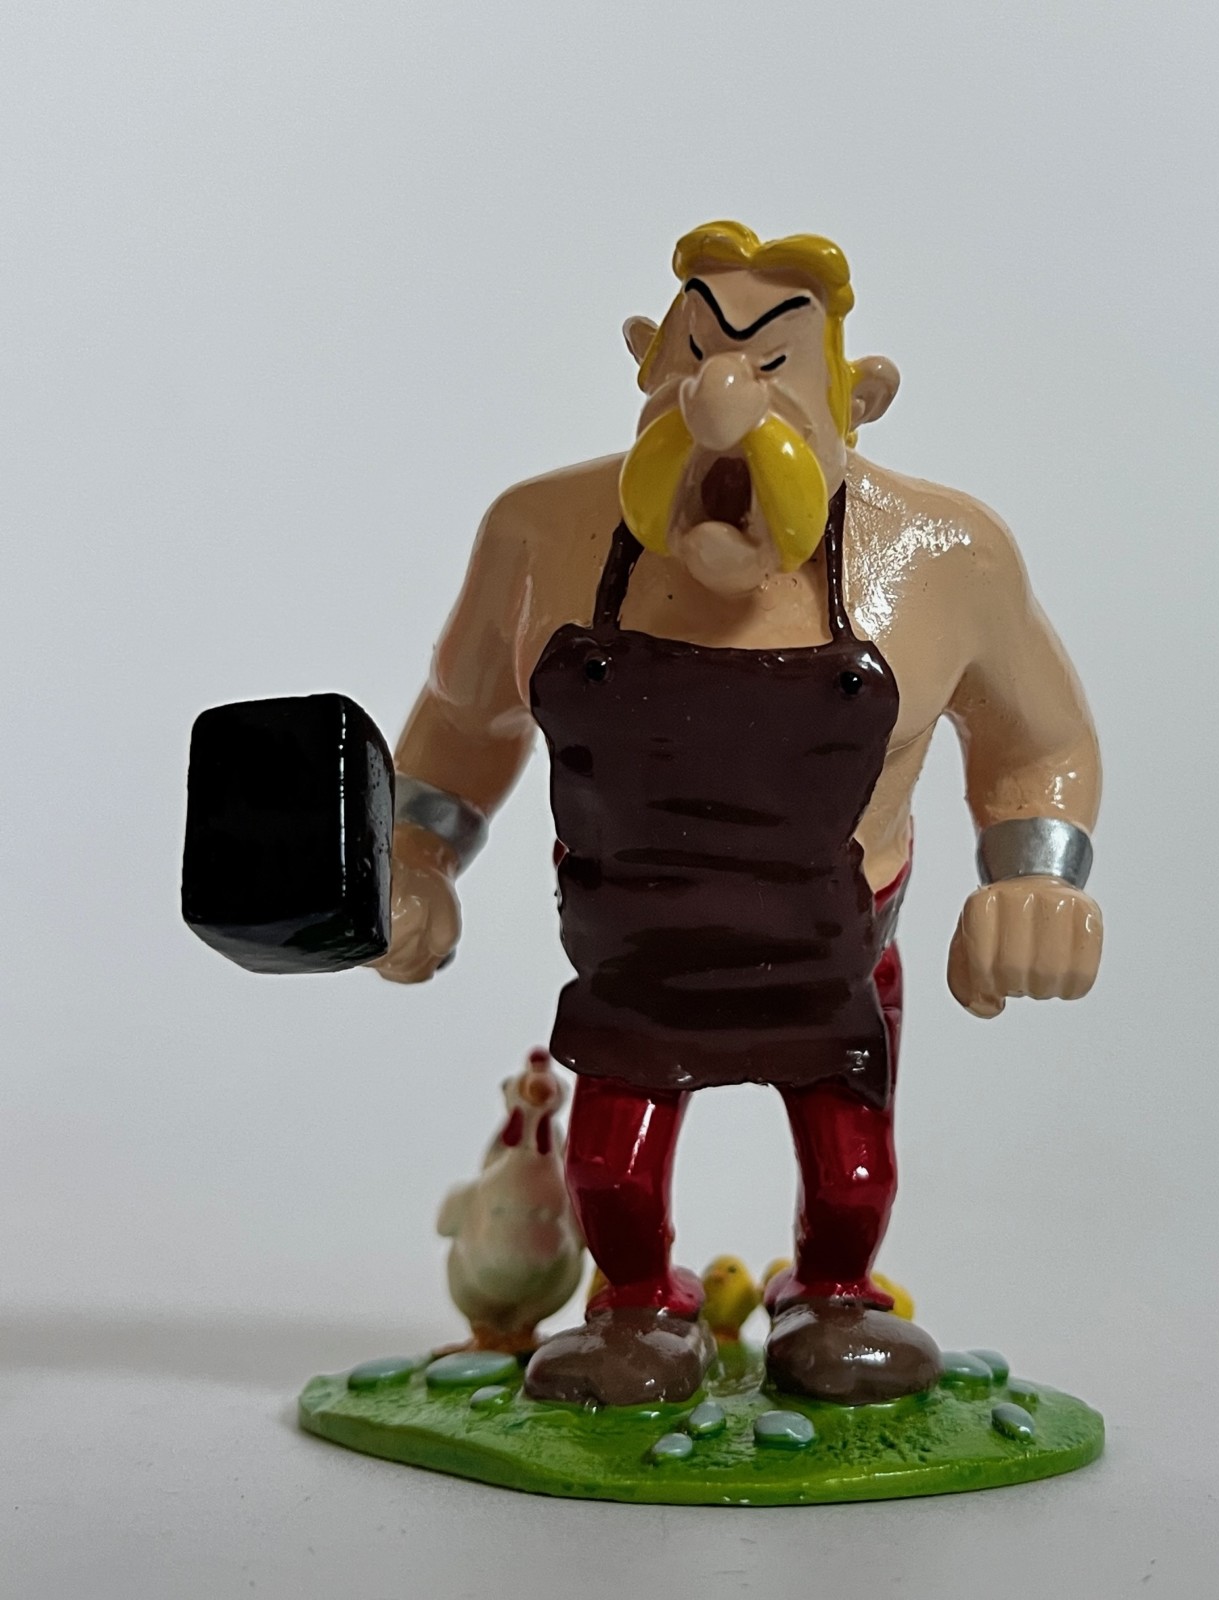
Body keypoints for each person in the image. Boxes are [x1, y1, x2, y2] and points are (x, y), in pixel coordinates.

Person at [379, 222, 1103, 1406]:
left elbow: (1040, 741)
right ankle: (634, 1305)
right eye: (696, 357)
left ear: (859, 398)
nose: (723, 399)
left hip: (835, 957)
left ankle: (831, 1293)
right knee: (611, 1176)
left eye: (771, 366)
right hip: (634, 961)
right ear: (643, 363)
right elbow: (461, 724)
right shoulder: (539, 537)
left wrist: (1036, 875)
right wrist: (413, 859)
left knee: (852, 1175)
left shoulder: (945, 558)